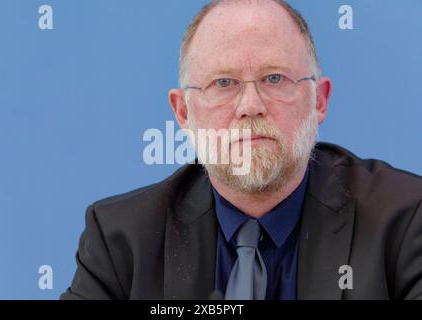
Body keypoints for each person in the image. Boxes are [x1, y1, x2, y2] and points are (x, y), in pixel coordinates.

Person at [61, 0, 422, 300]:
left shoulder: (406, 220)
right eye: (224, 83)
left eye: (275, 78)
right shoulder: (121, 239)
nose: (251, 105)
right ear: (183, 112)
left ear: (319, 100)